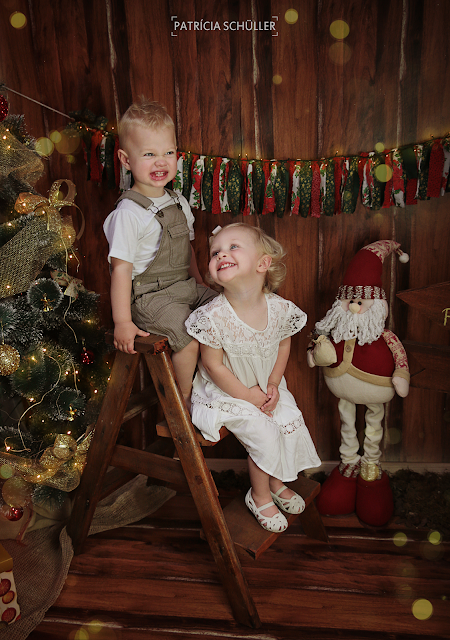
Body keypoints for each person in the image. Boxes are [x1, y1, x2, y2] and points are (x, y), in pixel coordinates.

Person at [185, 223, 321, 532]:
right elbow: (213, 366)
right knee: (262, 431)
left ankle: (276, 482)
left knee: (286, 416)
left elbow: (284, 343)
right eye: (216, 251)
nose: (222, 254)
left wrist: (273, 384)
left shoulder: (278, 309)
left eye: (234, 247)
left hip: (263, 383)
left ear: (262, 264)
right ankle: (258, 495)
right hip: (225, 390)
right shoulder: (213, 316)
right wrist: (247, 396)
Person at [103, 99, 217, 404]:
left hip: (184, 285)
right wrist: (122, 322)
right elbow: (121, 270)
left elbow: (187, 249)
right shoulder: (129, 213)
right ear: (126, 160)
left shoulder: (177, 200)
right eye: (149, 154)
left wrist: (200, 284)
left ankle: (218, 388)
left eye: (168, 152)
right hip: (149, 296)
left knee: (227, 312)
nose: (161, 162)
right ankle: (185, 401)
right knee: (188, 337)